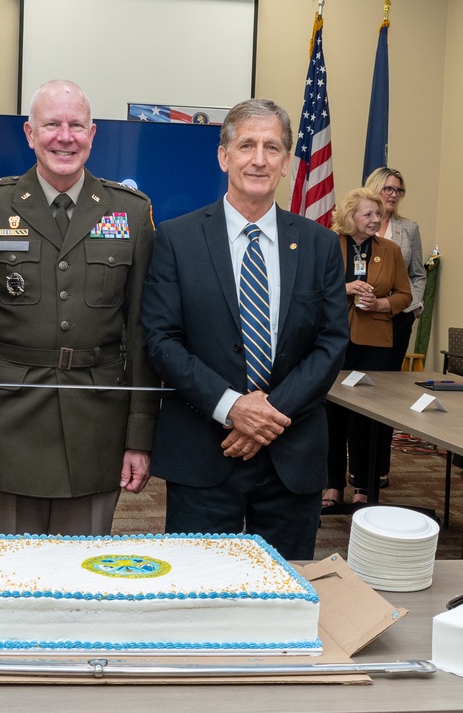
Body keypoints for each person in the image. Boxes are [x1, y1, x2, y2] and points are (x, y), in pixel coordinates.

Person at [0, 79, 158, 537]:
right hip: (7, 423)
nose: (65, 136)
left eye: (76, 125)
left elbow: (141, 333)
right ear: (30, 133)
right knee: (13, 573)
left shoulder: (130, 213)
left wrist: (140, 434)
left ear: (92, 134)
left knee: (85, 576)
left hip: (97, 424)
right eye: (52, 124)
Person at [141, 98, 348, 560]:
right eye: (247, 145)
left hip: (290, 453)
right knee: (197, 597)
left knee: (284, 597)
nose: (259, 159)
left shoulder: (319, 244)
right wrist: (232, 407)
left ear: (287, 161)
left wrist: (265, 415)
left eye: (272, 148)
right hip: (203, 451)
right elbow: (160, 340)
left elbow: (331, 343)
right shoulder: (176, 239)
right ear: (223, 155)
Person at [323, 188, 412, 507]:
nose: (376, 219)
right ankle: (332, 485)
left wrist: (382, 303)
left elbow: (405, 295)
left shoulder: (390, 250)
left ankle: (364, 485)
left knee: (368, 418)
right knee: (333, 416)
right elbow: (311, 289)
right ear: (351, 217)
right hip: (334, 342)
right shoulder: (329, 245)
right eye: (369, 214)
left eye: (378, 214)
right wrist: (344, 288)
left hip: (375, 345)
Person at [364, 167, 427, 488]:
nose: (393, 195)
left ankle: (381, 467)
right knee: (360, 392)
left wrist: (411, 307)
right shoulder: (359, 222)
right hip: (361, 321)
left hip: (397, 318)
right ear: (375, 187)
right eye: (388, 188)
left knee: (385, 394)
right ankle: (357, 469)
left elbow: (418, 274)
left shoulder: (408, 229)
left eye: (398, 191)